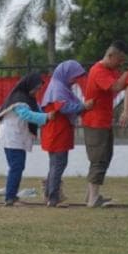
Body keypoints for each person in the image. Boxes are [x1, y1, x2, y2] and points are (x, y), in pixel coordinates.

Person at [82, 40, 128, 207]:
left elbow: (123, 84)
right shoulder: (99, 71)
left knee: (104, 158)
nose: (121, 64)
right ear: (110, 56)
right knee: (99, 160)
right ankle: (93, 199)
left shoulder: (109, 70)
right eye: (120, 60)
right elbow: (117, 86)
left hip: (102, 122)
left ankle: (91, 196)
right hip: (95, 123)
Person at [0, 72, 55, 206]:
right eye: (37, 88)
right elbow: (26, 115)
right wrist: (46, 117)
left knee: (17, 166)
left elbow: (38, 112)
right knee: (16, 167)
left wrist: (46, 115)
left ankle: (11, 196)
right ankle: (10, 197)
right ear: (30, 85)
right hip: (12, 137)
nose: (38, 91)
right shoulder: (18, 98)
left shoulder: (29, 99)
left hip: (16, 137)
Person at [40, 60, 93, 207]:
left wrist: (81, 107)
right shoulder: (58, 88)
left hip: (56, 133)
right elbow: (63, 107)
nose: (75, 80)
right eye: (74, 76)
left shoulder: (59, 87)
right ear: (66, 73)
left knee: (55, 165)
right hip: (58, 133)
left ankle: (49, 196)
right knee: (58, 165)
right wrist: (83, 106)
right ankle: (53, 198)